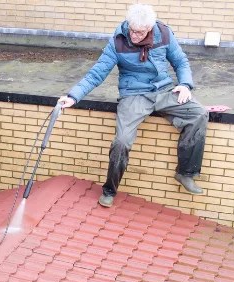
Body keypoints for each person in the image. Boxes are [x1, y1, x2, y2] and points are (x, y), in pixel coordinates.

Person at [58, 3, 208, 206]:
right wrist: (73, 96)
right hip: (133, 94)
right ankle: (110, 190)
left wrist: (185, 84)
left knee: (198, 113)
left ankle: (186, 173)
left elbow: (181, 61)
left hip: (164, 90)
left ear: (150, 28)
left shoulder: (163, 33)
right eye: (132, 30)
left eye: (140, 32)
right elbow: (97, 73)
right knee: (122, 141)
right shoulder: (118, 41)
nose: (135, 36)